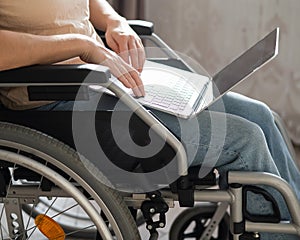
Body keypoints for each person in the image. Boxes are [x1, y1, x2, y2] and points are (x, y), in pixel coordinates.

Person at [0, 1, 299, 239]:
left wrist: (116, 22)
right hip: (55, 100)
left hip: (105, 83)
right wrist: (83, 46)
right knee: (246, 140)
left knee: (260, 114)